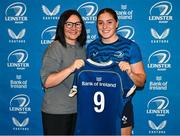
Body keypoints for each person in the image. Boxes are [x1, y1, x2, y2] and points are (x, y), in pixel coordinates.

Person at [86, 8, 146, 135]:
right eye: (100, 22)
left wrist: (130, 72)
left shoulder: (130, 47)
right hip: (96, 107)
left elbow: (141, 82)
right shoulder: (91, 47)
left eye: (109, 22)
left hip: (121, 107)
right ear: (96, 25)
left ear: (117, 23)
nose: (105, 26)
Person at [40, 9, 87, 135]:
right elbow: (47, 82)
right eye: (69, 24)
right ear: (62, 26)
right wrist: (71, 68)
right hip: (56, 112)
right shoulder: (55, 47)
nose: (73, 28)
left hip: (77, 110)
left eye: (77, 24)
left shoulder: (82, 49)